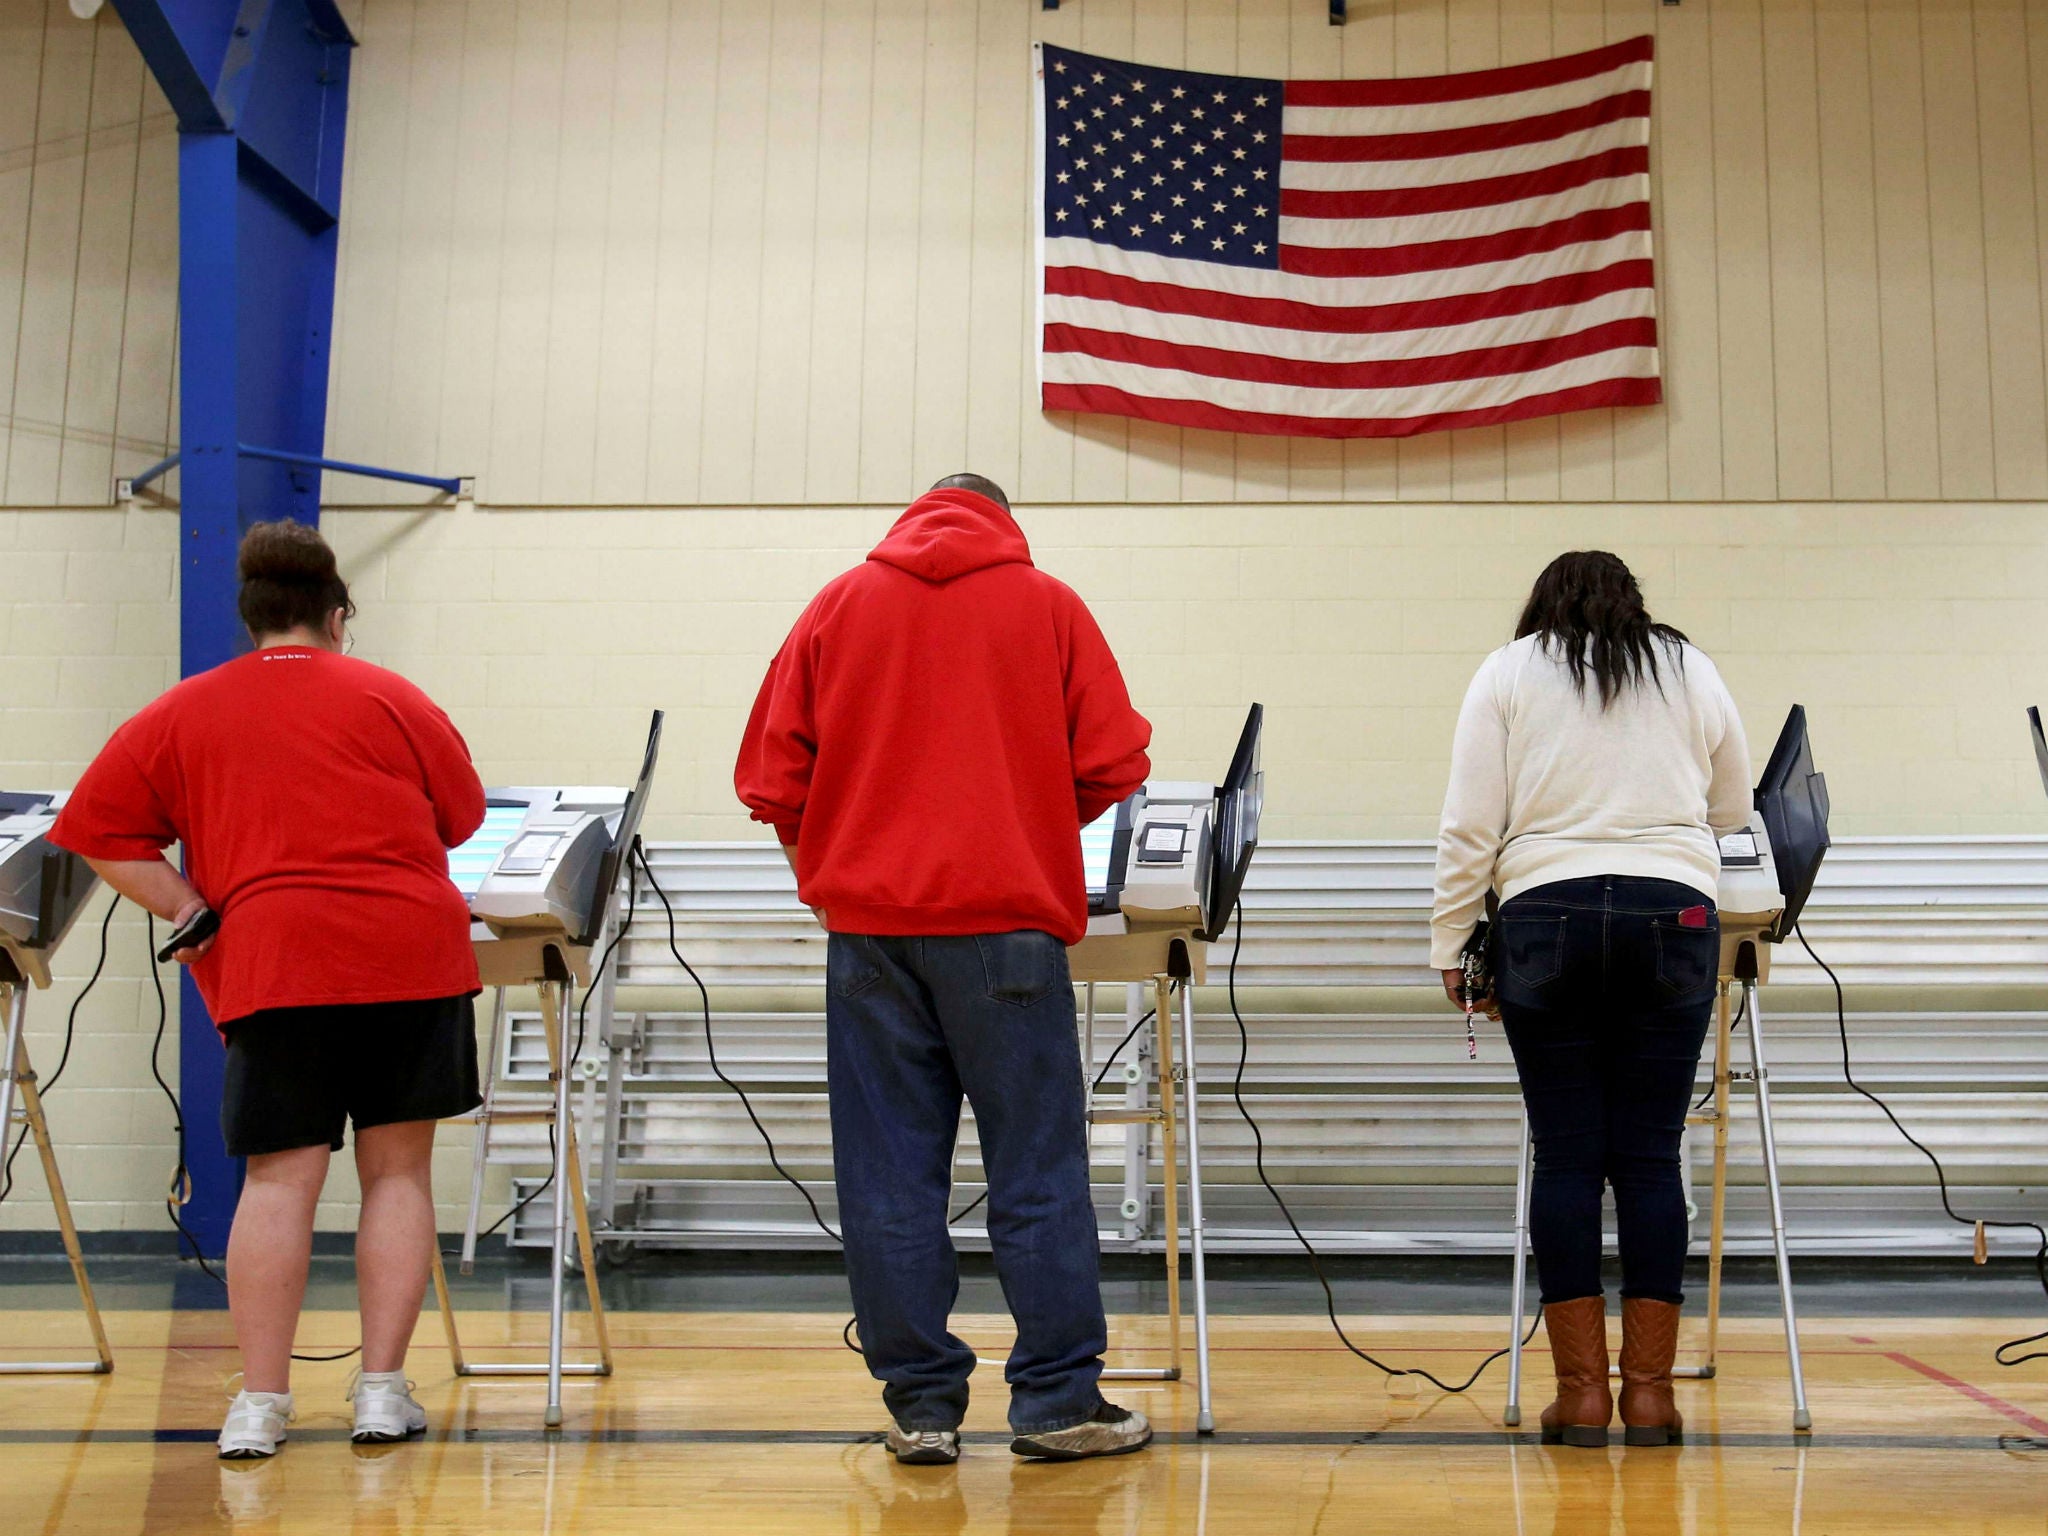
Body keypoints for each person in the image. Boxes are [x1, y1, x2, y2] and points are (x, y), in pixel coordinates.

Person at [735, 473, 1154, 1464]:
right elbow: (1113, 761)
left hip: (869, 936)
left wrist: (834, 857)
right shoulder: (1046, 603)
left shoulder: (838, 603)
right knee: (1037, 1171)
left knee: (888, 1179)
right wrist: (1027, 819)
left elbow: (768, 777)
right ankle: (1055, 1403)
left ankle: (921, 1406)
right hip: (1008, 932)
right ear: (1004, 523)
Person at [51, 521, 487, 1460]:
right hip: (408, 954)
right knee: (398, 1172)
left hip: (275, 959)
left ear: (251, 620)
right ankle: (380, 1393)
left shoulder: (183, 710)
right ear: (339, 616)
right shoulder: (394, 697)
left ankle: (259, 1404)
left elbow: (95, 829)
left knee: (279, 1179)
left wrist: (187, 905)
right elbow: (462, 817)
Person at [1430, 550, 1751, 1450]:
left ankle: (1580, 1400)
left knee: (1569, 1160)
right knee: (1649, 1160)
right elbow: (1731, 809)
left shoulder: (1507, 671)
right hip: (1674, 913)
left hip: (1545, 915)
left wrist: (1451, 942)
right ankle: (1649, 1396)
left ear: (1540, 607)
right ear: (1635, 606)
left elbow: (1469, 824)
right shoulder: (1689, 666)